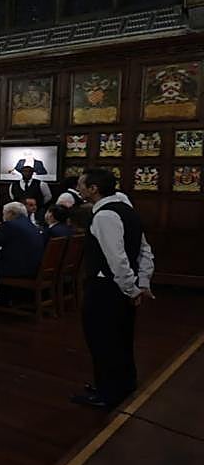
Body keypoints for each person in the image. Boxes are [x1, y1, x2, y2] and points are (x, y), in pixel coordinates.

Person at [74, 167, 154, 409]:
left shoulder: (104, 216)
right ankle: (123, 383)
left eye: (81, 184)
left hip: (106, 288)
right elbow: (145, 251)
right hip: (121, 286)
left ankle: (107, 393)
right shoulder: (127, 210)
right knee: (121, 337)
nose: (79, 189)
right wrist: (142, 282)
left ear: (93, 189)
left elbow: (116, 259)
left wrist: (132, 290)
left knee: (102, 340)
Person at [0, 202, 46, 280]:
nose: (3, 217)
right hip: (34, 268)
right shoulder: (31, 225)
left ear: (11, 213)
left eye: (4, 214)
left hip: (17, 269)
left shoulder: (9, 225)